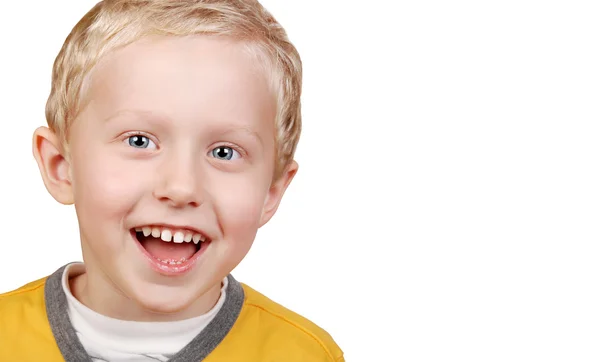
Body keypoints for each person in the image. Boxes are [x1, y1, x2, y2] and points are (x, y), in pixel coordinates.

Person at [0, 1, 344, 361]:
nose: (182, 188)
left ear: (272, 192)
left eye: (224, 152)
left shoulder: (303, 353)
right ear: (60, 166)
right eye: (139, 141)